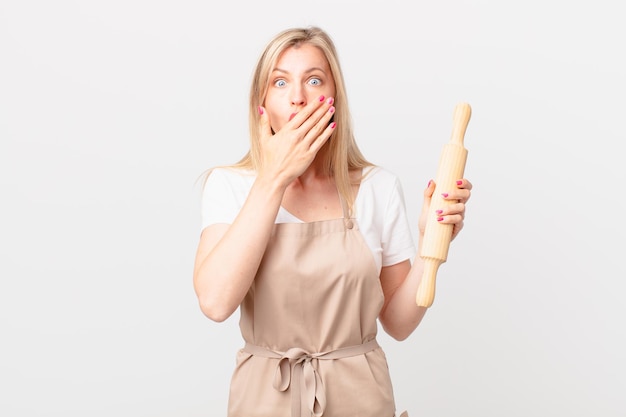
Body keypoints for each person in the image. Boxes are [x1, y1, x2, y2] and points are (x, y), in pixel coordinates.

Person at [193, 26, 472, 417]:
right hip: (264, 401)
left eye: (313, 79)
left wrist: (430, 244)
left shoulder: (378, 187)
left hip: (362, 399)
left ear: (334, 98)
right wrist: (273, 178)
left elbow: (399, 323)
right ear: (262, 104)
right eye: (279, 82)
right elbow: (216, 301)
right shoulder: (231, 186)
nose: (297, 97)